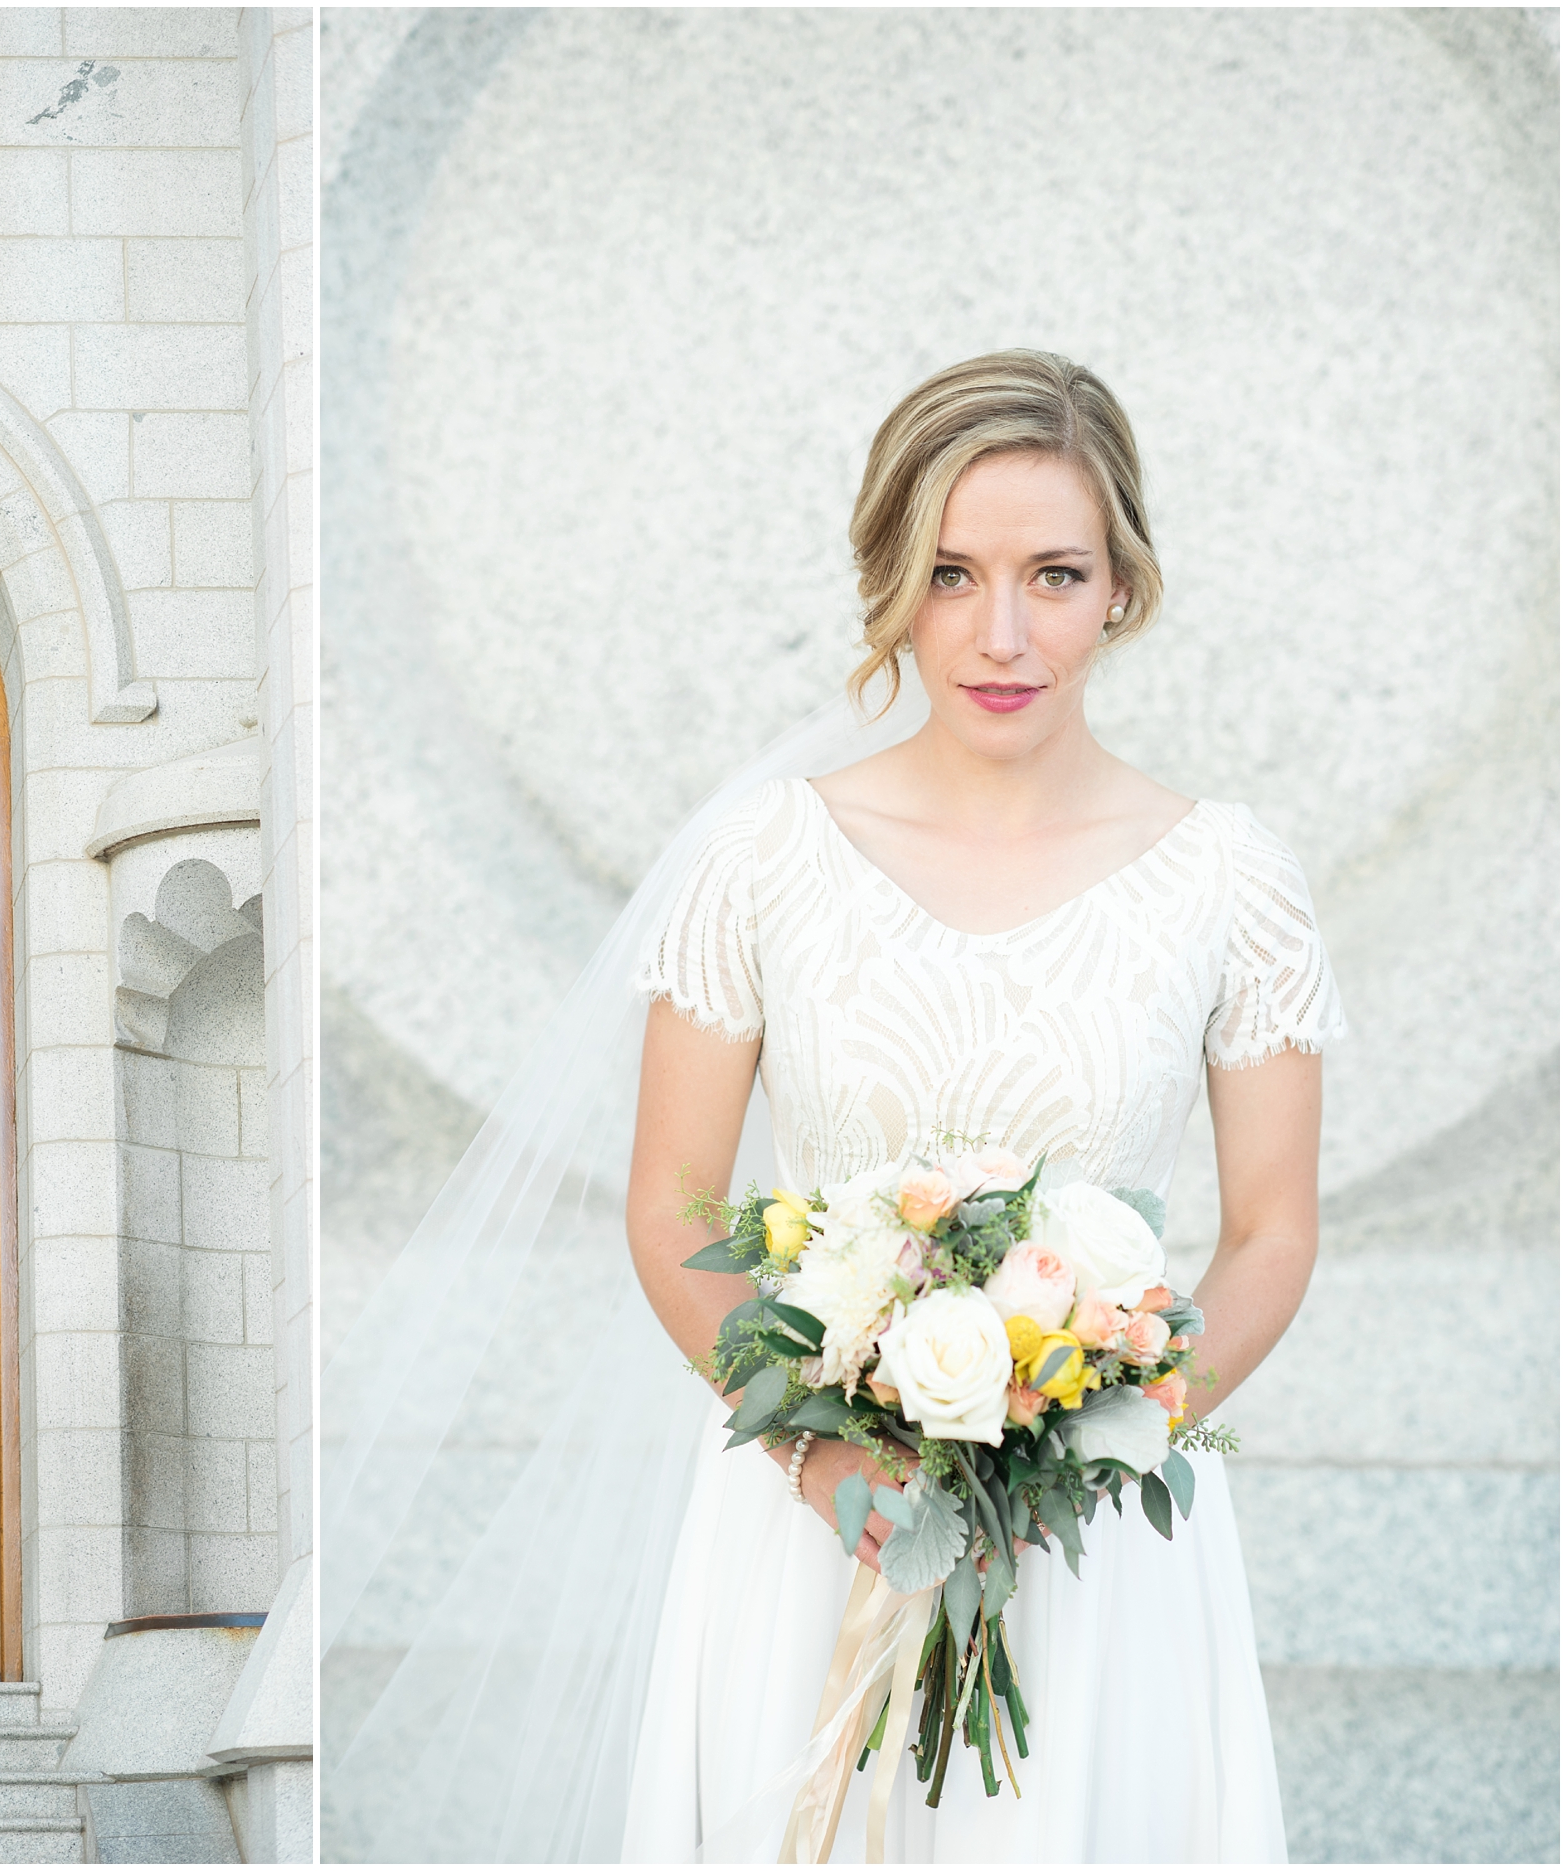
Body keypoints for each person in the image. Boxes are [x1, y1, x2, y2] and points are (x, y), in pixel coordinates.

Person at [319, 351, 1342, 1862]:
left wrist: (1104, 1433)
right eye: (951, 574)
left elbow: (1270, 1228)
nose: (1002, 633)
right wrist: (821, 1458)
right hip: (808, 1516)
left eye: (1053, 574)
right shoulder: (763, 859)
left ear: (1120, 585)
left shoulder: (1231, 879)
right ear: (892, 586)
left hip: (1095, 1534)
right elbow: (673, 1200)